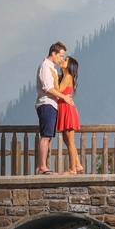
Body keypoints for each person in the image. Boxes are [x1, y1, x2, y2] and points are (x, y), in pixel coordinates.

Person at [35, 41, 72, 174]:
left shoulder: (52, 68)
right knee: (45, 136)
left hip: (51, 104)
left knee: (48, 136)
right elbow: (48, 88)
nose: (61, 59)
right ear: (53, 53)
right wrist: (64, 97)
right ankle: (42, 166)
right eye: (61, 56)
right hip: (46, 103)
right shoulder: (45, 66)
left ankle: (43, 165)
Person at [56, 56, 84, 174]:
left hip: (67, 110)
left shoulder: (67, 77)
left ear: (70, 65)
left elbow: (57, 90)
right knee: (67, 140)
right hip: (65, 108)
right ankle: (78, 165)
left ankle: (72, 169)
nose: (62, 60)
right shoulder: (65, 76)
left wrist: (53, 77)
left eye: (65, 60)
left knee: (70, 141)